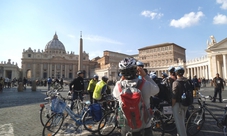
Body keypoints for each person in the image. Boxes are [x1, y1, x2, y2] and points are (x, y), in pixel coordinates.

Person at [113, 57, 159, 136]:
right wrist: (145, 76)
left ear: (122, 73)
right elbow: (157, 89)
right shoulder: (146, 84)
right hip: (144, 127)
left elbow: (115, 95)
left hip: (127, 128)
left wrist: (121, 79)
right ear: (136, 70)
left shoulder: (118, 86)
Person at [172, 66, 188, 136]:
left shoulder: (176, 82)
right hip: (186, 103)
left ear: (176, 73)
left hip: (178, 104)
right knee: (182, 121)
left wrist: (172, 105)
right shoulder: (187, 81)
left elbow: (174, 95)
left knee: (179, 123)